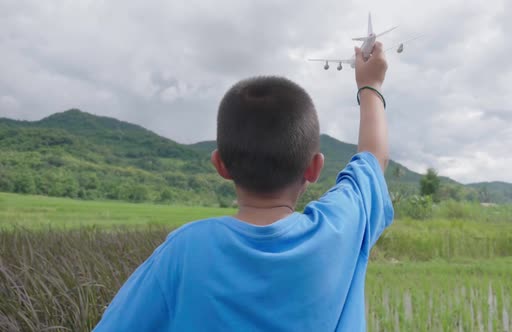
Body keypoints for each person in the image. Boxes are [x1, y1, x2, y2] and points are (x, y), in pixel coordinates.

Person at [94, 42, 393, 331]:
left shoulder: (183, 251)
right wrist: (370, 85)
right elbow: (372, 158)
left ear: (220, 165)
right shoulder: (341, 228)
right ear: (314, 168)